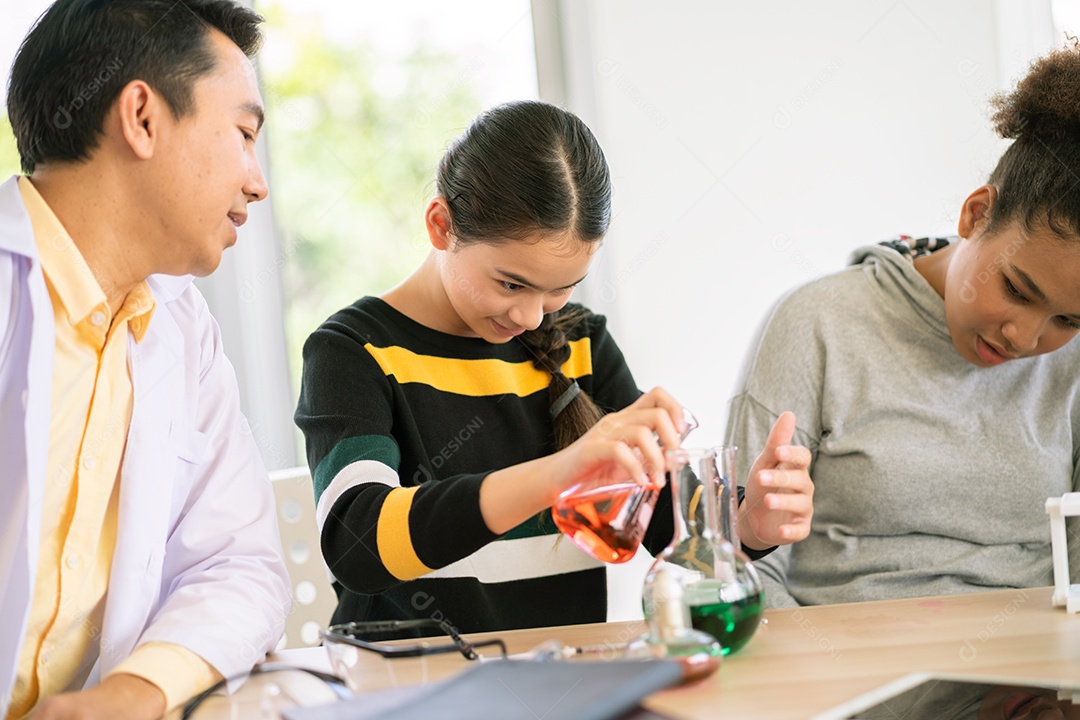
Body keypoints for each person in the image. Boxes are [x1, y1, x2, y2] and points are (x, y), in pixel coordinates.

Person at [294, 100, 814, 637]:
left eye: (560, 289)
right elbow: (356, 544)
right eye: (510, 283)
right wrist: (561, 472)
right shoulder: (353, 351)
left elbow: (664, 525)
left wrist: (748, 524)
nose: (530, 316)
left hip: (561, 671)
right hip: (407, 676)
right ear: (441, 225)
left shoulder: (580, 341)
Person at [0, 1, 292, 718]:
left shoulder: (183, 329)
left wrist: (130, 695)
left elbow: (239, 564)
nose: (258, 182)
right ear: (142, 117)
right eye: (243, 134)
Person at [725, 42, 1080, 609]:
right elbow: (735, 563)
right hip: (844, 662)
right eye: (1017, 289)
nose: (1025, 338)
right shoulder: (817, 324)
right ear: (976, 214)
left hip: (1032, 660)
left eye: (1067, 320)